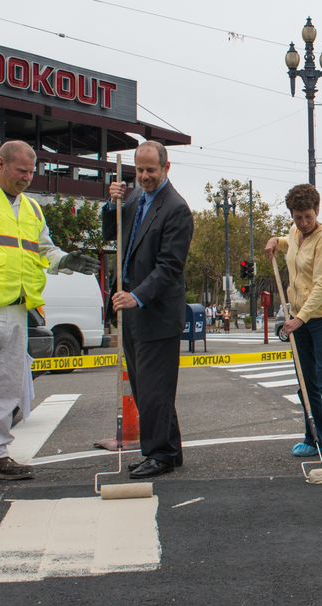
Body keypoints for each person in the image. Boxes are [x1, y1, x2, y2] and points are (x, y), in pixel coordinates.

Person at [0, 140, 98, 491]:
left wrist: (65, 260)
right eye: (21, 171)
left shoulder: (29, 208)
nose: (27, 178)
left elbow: (43, 248)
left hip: (16, 308)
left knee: (7, 386)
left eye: (32, 172)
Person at [103, 140, 194, 479]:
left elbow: (170, 267)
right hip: (131, 311)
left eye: (151, 170)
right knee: (144, 389)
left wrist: (137, 296)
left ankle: (158, 454)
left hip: (155, 312)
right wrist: (110, 203)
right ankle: (169, 449)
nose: (144, 176)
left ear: (166, 168)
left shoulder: (176, 209)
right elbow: (111, 232)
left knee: (155, 390)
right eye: (139, 170)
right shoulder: (131, 200)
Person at [264, 183, 322, 466]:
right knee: (305, 380)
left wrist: (299, 319)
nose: (303, 223)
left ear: (318, 211)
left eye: (308, 217)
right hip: (299, 317)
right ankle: (315, 436)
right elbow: (290, 242)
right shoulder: (295, 232)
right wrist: (276, 239)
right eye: (297, 217)